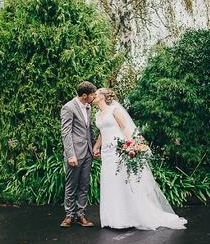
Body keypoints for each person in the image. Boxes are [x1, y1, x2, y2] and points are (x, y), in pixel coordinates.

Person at [92, 88, 187, 230]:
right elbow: (102, 132)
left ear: (104, 97)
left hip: (119, 149)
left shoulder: (114, 110)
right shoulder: (98, 114)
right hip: (106, 152)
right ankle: (113, 218)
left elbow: (124, 127)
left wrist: (129, 145)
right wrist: (96, 146)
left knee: (123, 181)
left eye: (97, 94)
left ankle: (131, 216)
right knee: (110, 182)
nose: (94, 96)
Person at [59, 81, 96, 228]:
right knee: (71, 185)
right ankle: (69, 215)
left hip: (87, 153)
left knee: (84, 185)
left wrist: (94, 148)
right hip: (74, 153)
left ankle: (81, 215)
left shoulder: (88, 107)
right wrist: (70, 155)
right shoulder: (68, 107)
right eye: (93, 94)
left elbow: (89, 130)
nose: (94, 96)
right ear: (85, 95)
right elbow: (66, 132)